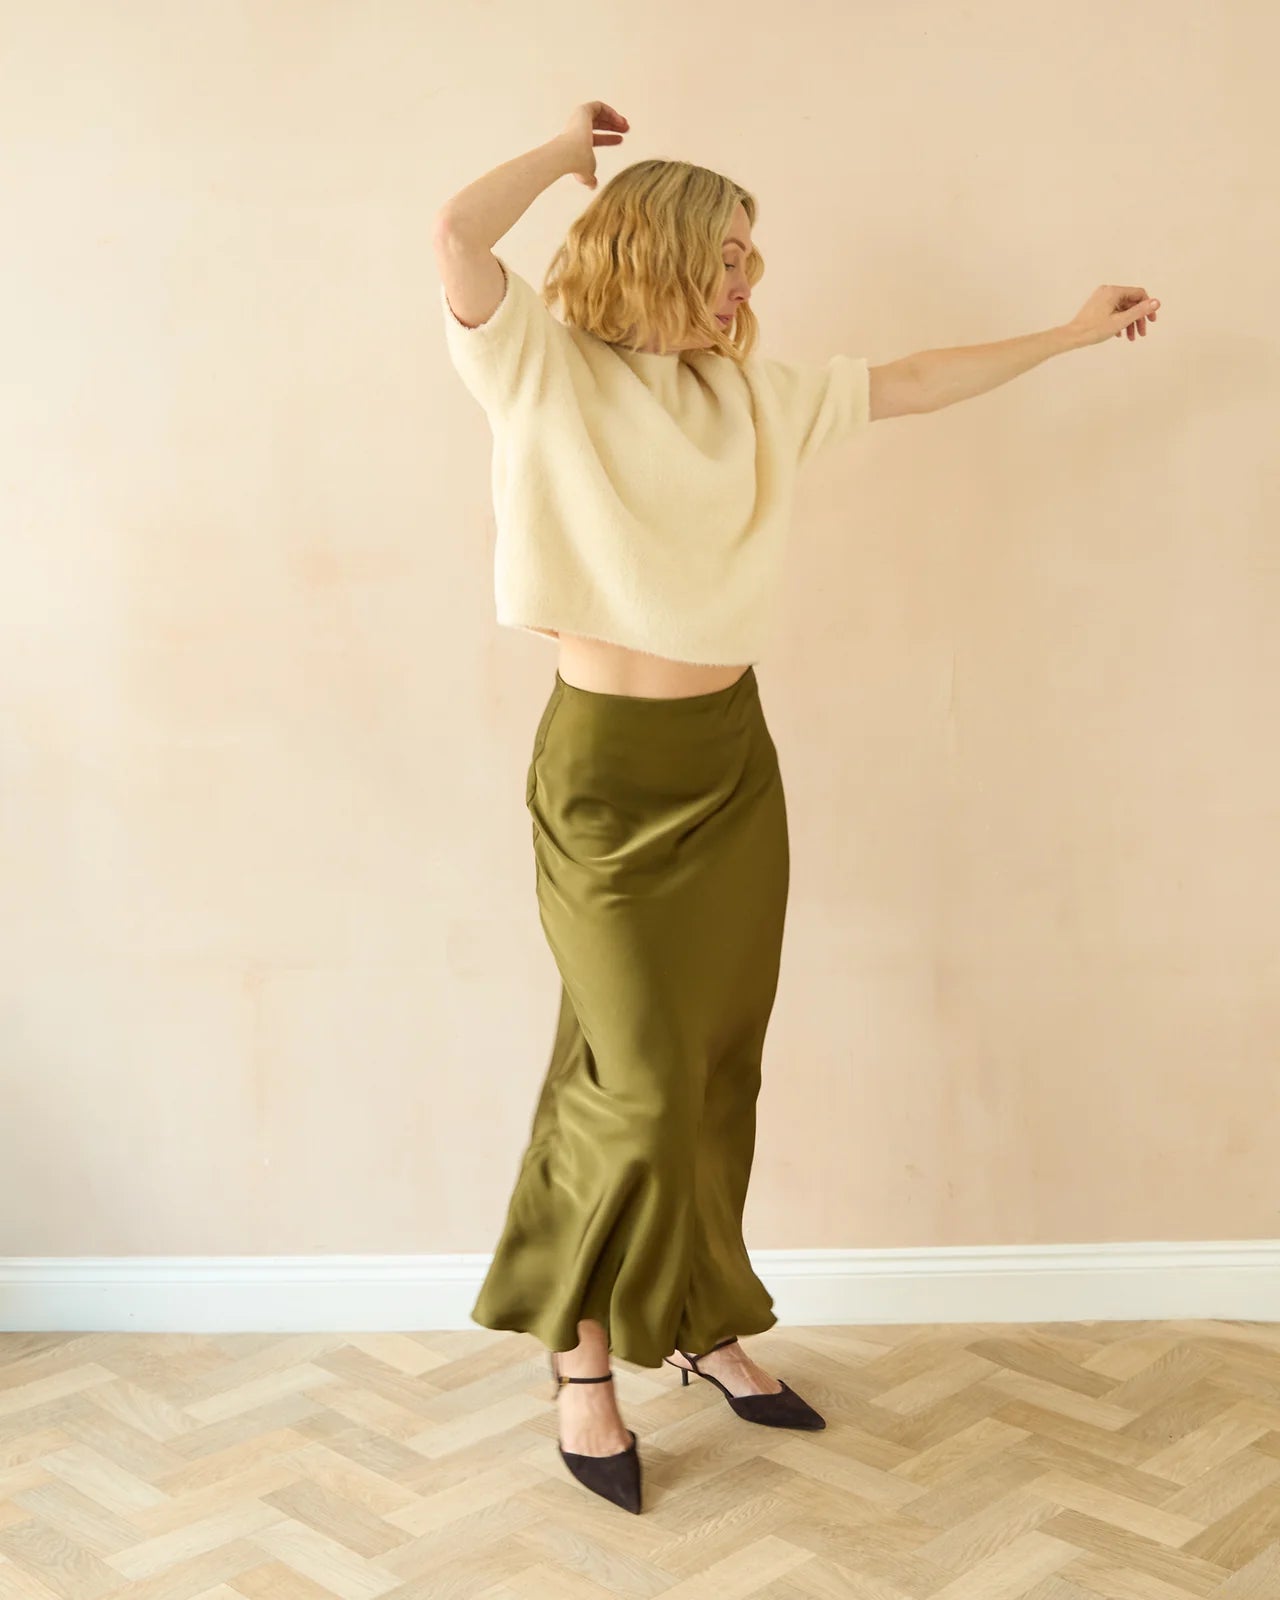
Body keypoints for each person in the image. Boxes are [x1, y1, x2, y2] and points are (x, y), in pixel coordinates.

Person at [433, 102, 1161, 1516]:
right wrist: (561, 156)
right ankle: (579, 1361)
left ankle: (703, 1320)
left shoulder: (749, 398)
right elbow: (459, 234)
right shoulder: (538, 367)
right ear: (654, 249)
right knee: (633, 1084)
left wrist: (1071, 335)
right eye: (724, 256)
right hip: (606, 779)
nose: (744, 282)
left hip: (730, 766)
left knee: (712, 1070)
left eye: (750, 260)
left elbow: (915, 380)